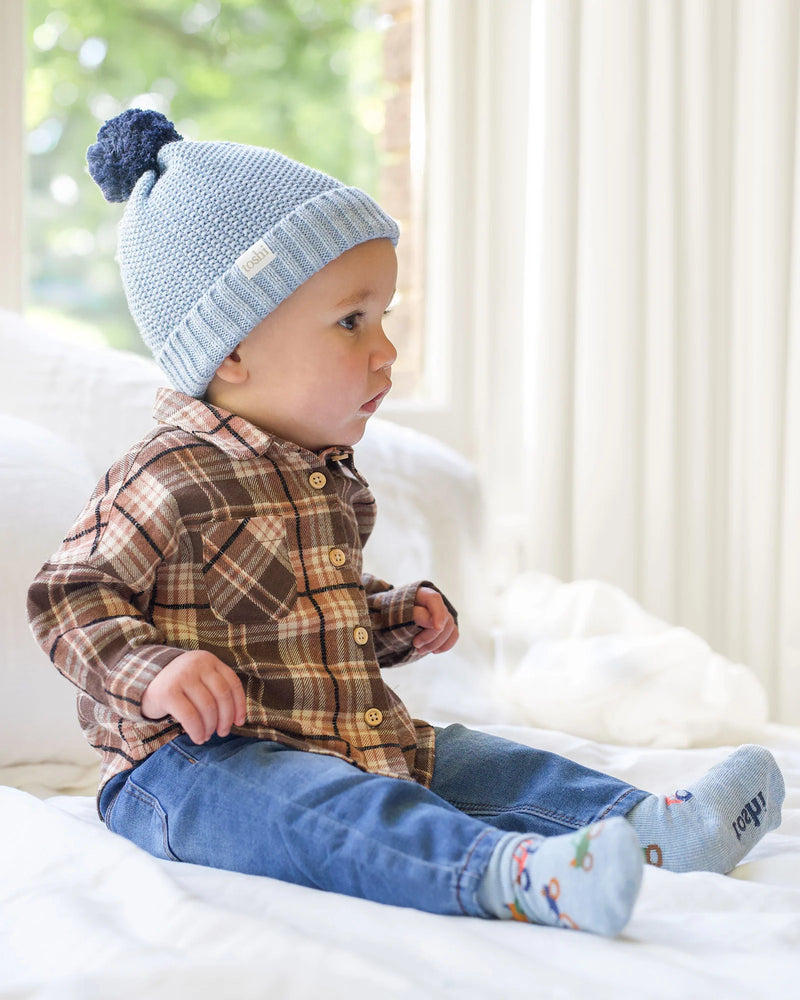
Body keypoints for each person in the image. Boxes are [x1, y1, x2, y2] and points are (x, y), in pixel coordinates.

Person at [28, 110, 784, 937]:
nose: (385, 351)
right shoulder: (167, 472)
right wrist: (153, 669)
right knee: (323, 809)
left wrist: (392, 619)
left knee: (478, 761)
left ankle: (655, 829)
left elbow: (320, 618)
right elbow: (68, 595)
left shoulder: (327, 479)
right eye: (352, 321)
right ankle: (509, 874)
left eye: (383, 318)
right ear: (232, 351)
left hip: (342, 731)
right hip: (191, 769)